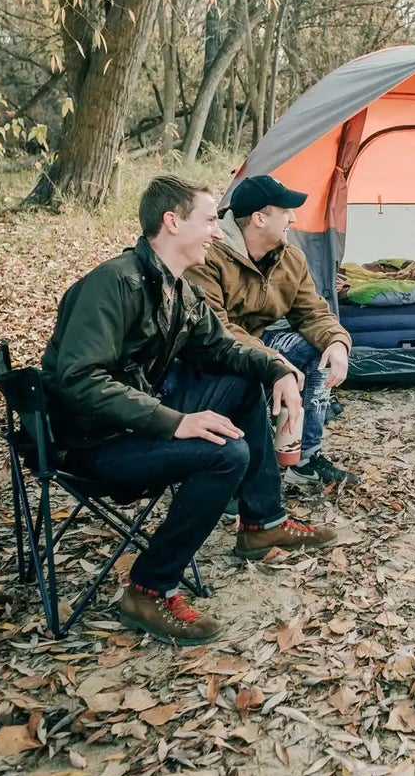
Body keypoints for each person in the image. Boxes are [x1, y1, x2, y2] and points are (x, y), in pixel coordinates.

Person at [40, 175, 336, 647]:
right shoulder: (112, 284)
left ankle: (263, 523)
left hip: (133, 422)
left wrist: (275, 371)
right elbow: (80, 380)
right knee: (226, 454)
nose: (219, 233)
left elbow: (222, 349)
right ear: (172, 222)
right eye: (208, 221)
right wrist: (175, 422)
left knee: (241, 383)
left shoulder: (178, 289)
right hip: (92, 442)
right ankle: (148, 588)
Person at [188, 174, 360, 493]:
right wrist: (274, 362)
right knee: (243, 372)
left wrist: (337, 341)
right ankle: (233, 469)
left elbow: (312, 311)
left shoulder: (289, 257)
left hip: (260, 342)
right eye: (285, 211)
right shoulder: (207, 255)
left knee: (316, 349)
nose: (293, 218)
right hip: (212, 352)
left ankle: (303, 458)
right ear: (259, 218)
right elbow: (217, 329)